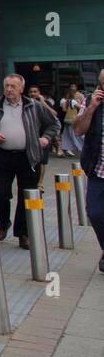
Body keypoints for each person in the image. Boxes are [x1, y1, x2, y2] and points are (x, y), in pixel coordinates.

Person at [0, 74, 60, 248]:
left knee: (27, 196)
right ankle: (2, 223)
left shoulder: (34, 106)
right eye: (6, 86)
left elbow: (54, 124)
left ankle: (23, 233)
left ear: (21, 89)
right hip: (1, 156)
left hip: (28, 157)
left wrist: (46, 138)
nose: (9, 89)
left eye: (13, 86)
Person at [70, 69, 104, 273]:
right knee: (94, 213)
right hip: (98, 170)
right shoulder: (92, 101)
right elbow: (77, 129)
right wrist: (91, 108)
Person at [27, 86, 55, 187]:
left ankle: (40, 183)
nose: (33, 93)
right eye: (31, 92)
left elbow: (54, 116)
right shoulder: (26, 104)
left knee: (42, 161)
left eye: (35, 91)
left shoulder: (46, 103)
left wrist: (43, 102)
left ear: (39, 93)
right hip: (30, 138)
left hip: (43, 137)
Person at [62, 88, 85, 157]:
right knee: (74, 135)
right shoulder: (73, 101)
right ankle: (81, 148)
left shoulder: (67, 101)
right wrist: (80, 102)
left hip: (68, 120)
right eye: (77, 94)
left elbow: (64, 109)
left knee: (67, 135)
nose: (78, 95)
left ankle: (66, 149)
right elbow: (81, 107)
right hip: (72, 120)